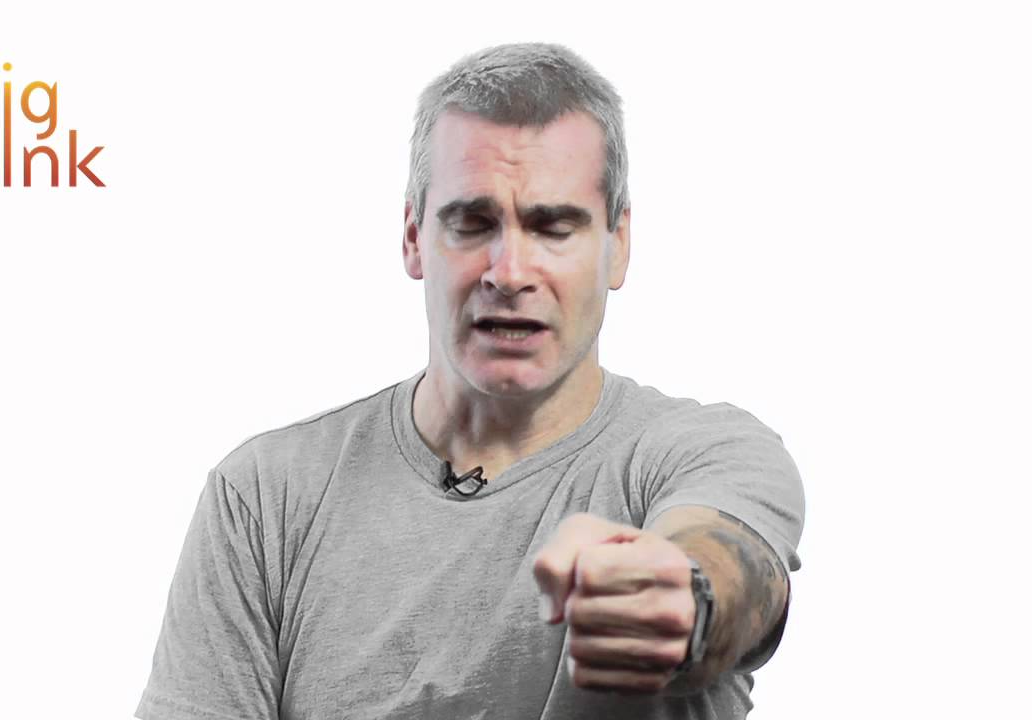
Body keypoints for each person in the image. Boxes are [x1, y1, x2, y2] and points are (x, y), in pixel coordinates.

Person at [135, 42, 804, 720]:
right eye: (473, 223)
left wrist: (681, 602)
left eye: (553, 227)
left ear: (618, 245)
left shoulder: (705, 452)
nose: (508, 272)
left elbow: (735, 567)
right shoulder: (266, 497)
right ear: (413, 237)